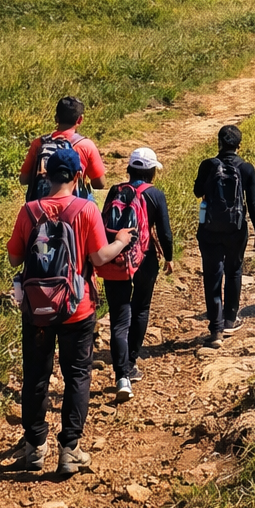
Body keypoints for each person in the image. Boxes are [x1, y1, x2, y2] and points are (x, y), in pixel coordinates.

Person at [8, 144, 133, 476]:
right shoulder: (85, 209)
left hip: (36, 309)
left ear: (46, 176)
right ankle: (70, 450)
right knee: (76, 375)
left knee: (36, 376)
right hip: (77, 307)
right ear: (78, 175)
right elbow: (97, 258)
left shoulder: (30, 210)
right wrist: (120, 240)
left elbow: (15, 258)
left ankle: (34, 447)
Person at [100, 147, 174, 403]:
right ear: (152, 171)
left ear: (129, 169)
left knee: (119, 319)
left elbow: (103, 223)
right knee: (141, 309)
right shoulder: (155, 194)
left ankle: (122, 376)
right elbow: (164, 231)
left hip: (115, 259)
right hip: (143, 259)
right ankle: (131, 363)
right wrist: (170, 257)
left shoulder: (114, 191)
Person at [193, 125, 255, 349]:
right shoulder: (246, 169)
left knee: (212, 276)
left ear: (219, 143)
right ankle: (230, 320)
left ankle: (216, 331)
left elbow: (196, 191)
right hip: (237, 229)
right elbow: (252, 202)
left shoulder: (208, 165)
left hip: (210, 229)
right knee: (234, 270)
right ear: (239, 145)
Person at [20, 95, 106, 200]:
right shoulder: (86, 145)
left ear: (56, 118)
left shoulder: (39, 143)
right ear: (80, 120)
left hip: (42, 208)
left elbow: (23, 179)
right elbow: (99, 184)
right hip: (73, 209)